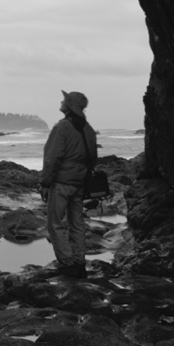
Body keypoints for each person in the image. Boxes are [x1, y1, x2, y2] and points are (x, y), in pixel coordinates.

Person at [39, 90, 97, 278]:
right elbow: (93, 158)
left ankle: (67, 262)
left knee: (55, 223)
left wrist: (45, 182)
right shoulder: (88, 129)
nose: (61, 102)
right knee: (77, 224)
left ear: (70, 105)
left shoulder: (62, 127)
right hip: (79, 183)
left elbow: (53, 157)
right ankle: (79, 260)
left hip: (62, 182)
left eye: (64, 100)